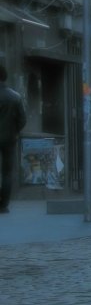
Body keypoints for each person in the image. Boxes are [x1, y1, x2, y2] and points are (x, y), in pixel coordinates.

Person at [0, 65, 27, 214]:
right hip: (9, 139)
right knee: (7, 172)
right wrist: (14, 130)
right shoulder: (15, 97)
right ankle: (3, 205)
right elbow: (23, 120)